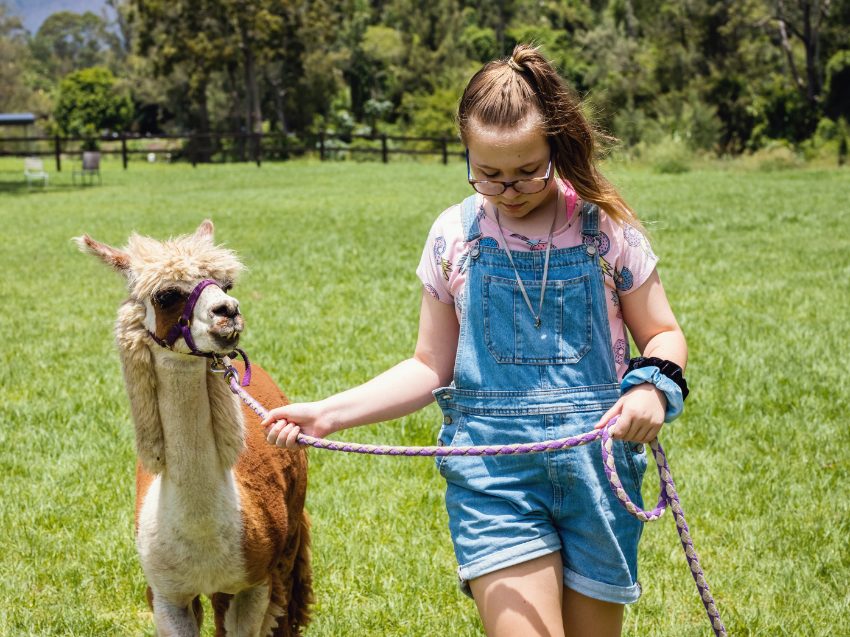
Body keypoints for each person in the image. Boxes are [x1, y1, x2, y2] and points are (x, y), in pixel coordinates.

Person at [262, 43, 688, 637]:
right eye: (487, 173)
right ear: (466, 151)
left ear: (557, 149)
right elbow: (429, 366)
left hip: (598, 469)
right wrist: (329, 414)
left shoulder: (606, 230)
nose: (508, 189)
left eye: (527, 171)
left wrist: (652, 391)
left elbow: (663, 333)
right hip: (495, 474)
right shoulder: (453, 237)